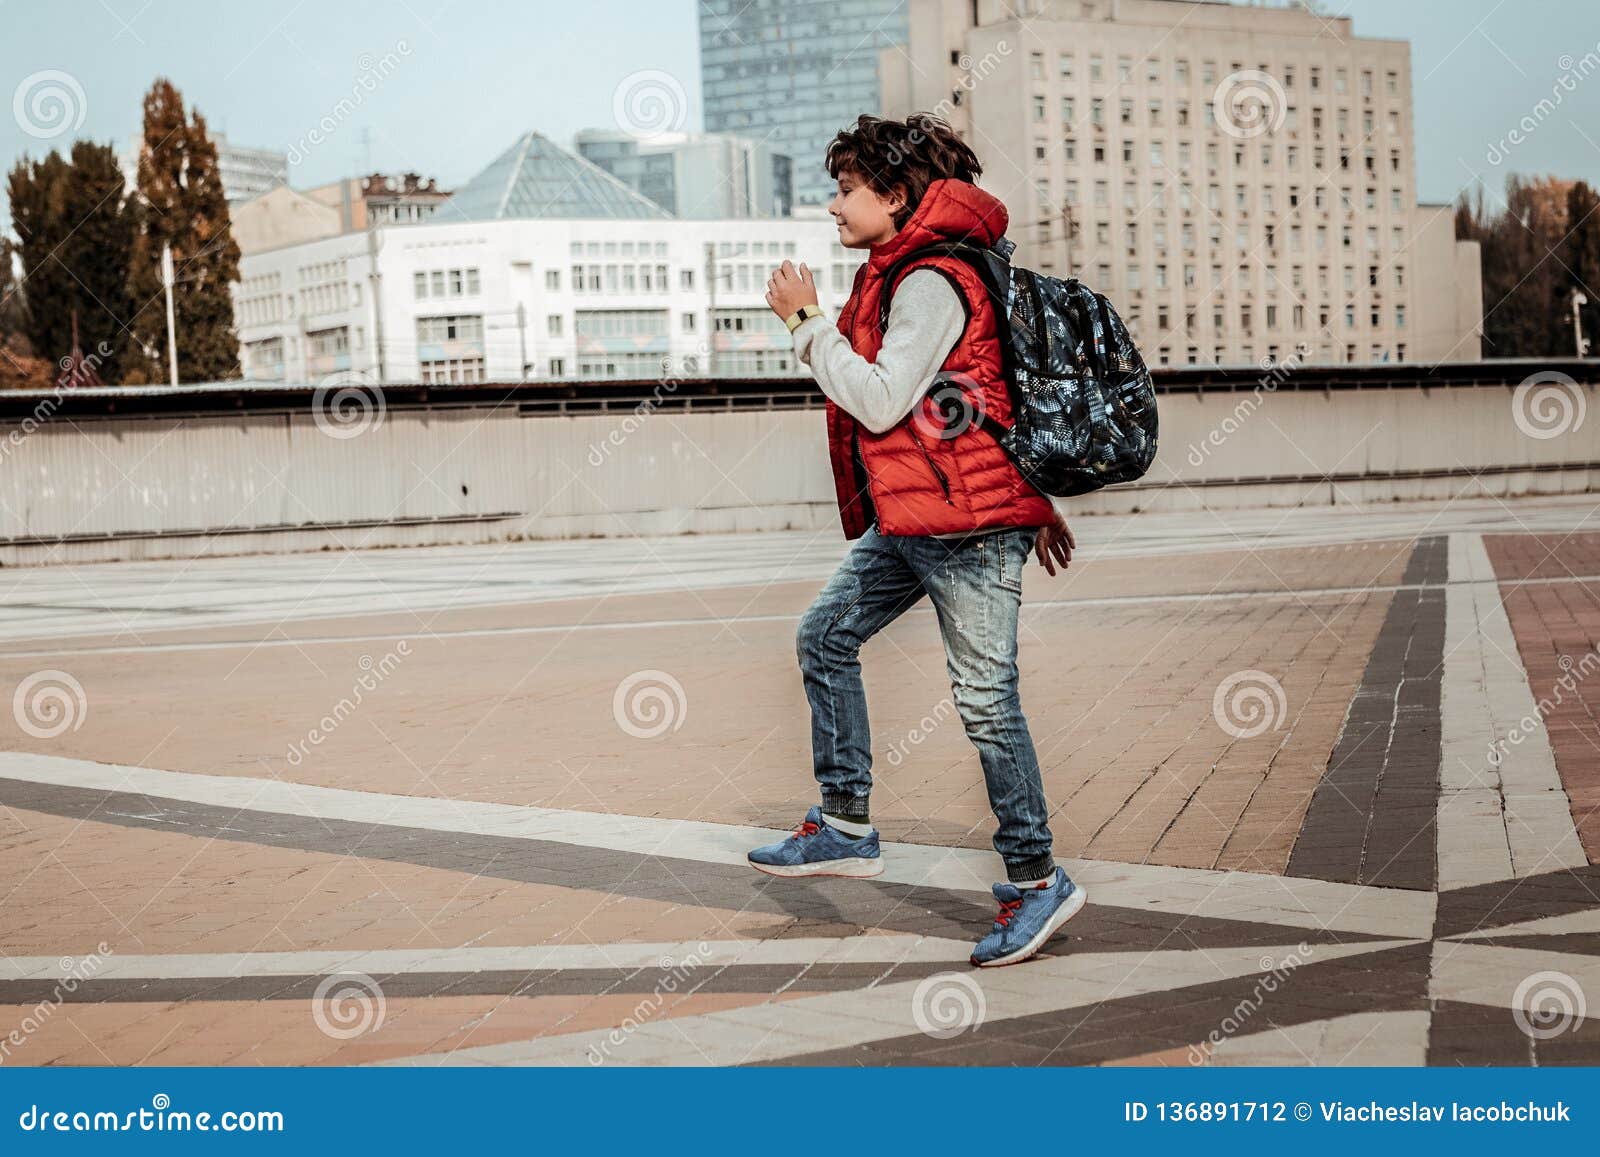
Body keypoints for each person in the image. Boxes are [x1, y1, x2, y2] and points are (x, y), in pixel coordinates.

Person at [745, 113, 1086, 968]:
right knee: (824, 635)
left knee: (985, 703)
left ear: (894, 195)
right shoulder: (897, 270)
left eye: (846, 190)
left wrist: (802, 325)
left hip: (966, 530)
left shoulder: (931, 277)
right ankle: (847, 822)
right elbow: (968, 401)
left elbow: (882, 397)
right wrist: (1032, 497)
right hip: (921, 515)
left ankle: (1037, 882)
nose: (833, 206)